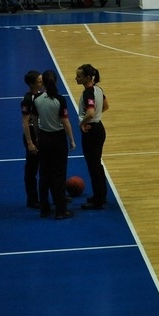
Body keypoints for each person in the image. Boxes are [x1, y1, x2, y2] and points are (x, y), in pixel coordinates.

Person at [33, 70, 76, 219]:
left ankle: (44, 209)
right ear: (56, 82)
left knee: (44, 175)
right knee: (59, 175)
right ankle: (61, 210)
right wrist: (71, 139)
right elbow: (65, 121)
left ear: (43, 83)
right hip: (58, 140)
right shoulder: (60, 99)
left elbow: (34, 120)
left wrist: (38, 137)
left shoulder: (37, 99)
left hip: (44, 138)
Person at [76, 64, 109, 210]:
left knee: (93, 166)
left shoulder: (88, 93)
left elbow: (89, 113)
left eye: (79, 76)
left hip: (92, 131)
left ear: (88, 77)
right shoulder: (98, 89)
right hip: (99, 128)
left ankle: (98, 201)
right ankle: (100, 195)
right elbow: (106, 106)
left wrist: (82, 123)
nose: (76, 78)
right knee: (97, 164)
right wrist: (96, 116)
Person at [21, 70, 43, 209]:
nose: (42, 83)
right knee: (32, 170)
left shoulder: (41, 95)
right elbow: (25, 122)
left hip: (42, 135)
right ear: (31, 84)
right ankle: (32, 199)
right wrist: (30, 142)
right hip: (33, 138)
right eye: (39, 81)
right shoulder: (28, 99)